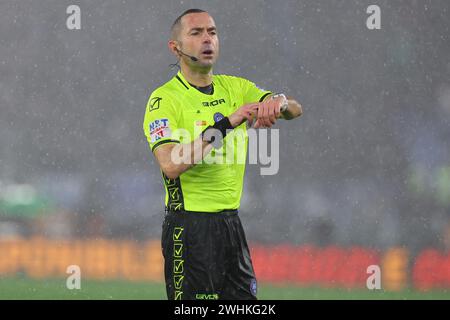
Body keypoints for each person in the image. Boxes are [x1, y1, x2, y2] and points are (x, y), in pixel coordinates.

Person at [143, 8, 302, 300]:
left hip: (231, 225)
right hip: (189, 229)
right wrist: (228, 122)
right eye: (196, 33)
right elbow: (170, 165)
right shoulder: (164, 100)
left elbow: (295, 109)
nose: (208, 39)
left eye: (212, 32)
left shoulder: (237, 88)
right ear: (175, 47)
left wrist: (278, 102)